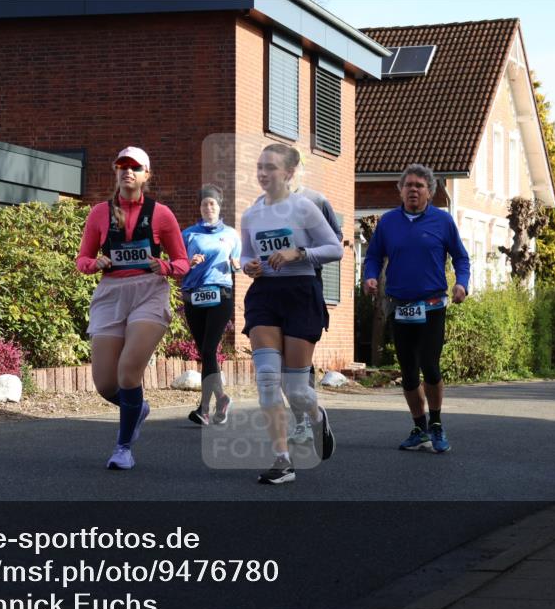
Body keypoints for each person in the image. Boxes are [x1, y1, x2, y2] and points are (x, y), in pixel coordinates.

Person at [76, 147, 189, 470]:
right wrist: (92, 263)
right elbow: (82, 258)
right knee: (105, 384)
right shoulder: (99, 213)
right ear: (115, 172)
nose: (127, 172)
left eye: (135, 167)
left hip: (148, 292)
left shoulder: (161, 214)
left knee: (128, 371)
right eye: (122, 166)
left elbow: (181, 262)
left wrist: (165, 267)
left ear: (146, 175)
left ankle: (123, 447)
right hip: (111, 293)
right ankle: (136, 407)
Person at [240, 143, 343, 484]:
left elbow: (334, 249)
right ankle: (282, 460)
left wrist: (298, 253)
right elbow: (243, 257)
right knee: (268, 381)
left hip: (301, 293)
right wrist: (249, 266)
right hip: (265, 295)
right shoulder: (251, 214)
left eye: (270, 167)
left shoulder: (305, 208)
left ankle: (317, 414)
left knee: (296, 389)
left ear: (288, 173)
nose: (263, 173)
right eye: (260, 166)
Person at [362, 164, 470, 454]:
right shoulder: (388, 223)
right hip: (400, 307)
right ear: (400, 190)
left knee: (430, 366)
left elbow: (461, 258)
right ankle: (419, 427)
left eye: (419, 186)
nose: (413, 189)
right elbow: (372, 257)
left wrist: (462, 283)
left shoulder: (442, 222)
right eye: (408, 185)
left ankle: (436, 424)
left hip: (432, 305)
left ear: (430, 192)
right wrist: (370, 276)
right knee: (409, 372)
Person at [181, 184, 241, 426]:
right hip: (194, 295)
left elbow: (238, 262)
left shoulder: (231, 234)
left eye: (212, 203)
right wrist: (189, 261)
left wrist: (237, 265)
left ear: (219, 206)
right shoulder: (188, 234)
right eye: (204, 204)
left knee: (208, 350)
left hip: (220, 295)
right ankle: (222, 398)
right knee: (205, 353)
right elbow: (177, 265)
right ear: (200, 207)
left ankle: (204, 409)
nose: (208, 207)